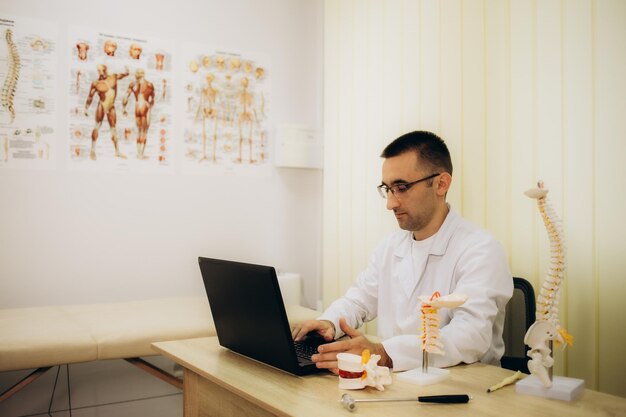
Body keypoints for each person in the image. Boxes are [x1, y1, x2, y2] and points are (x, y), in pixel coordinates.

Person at [292, 130, 513, 373]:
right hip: (393, 380)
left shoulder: (480, 250)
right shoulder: (390, 247)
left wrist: (385, 353)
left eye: (402, 187)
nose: (390, 203)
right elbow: (359, 300)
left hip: (461, 389)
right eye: (387, 189)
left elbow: (469, 337)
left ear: (441, 184)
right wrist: (329, 322)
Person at [84, 64, 129, 160]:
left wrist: (126, 72)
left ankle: (117, 151)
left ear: (105, 70)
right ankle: (92, 150)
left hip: (111, 106)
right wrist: (86, 108)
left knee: (113, 129)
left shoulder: (113, 77)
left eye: (102, 70)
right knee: (97, 126)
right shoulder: (96, 83)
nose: (101, 73)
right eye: (99, 71)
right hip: (102, 105)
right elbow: (90, 97)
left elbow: (123, 75)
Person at [122, 68, 155, 159]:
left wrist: (124, 108)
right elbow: (152, 100)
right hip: (145, 105)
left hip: (137, 106)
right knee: (145, 132)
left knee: (139, 131)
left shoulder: (133, 84)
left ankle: (138, 153)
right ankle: (141, 154)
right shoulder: (149, 84)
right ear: (143, 74)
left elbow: (125, 97)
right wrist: (149, 107)